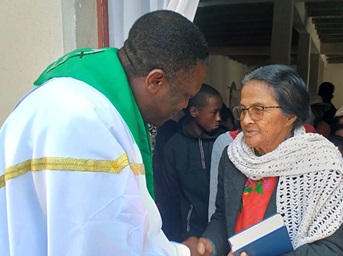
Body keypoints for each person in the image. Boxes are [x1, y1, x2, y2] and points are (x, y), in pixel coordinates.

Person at [0, 10, 209, 255]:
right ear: (156, 81)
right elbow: (99, 245)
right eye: (184, 95)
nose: (184, 107)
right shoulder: (86, 123)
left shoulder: (52, 99)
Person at [195, 64, 343, 256]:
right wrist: (209, 244)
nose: (246, 120)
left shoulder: (322, 166)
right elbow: (223, 216)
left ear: (290, 115)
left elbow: (331, 250)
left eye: (258, 109)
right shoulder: (234, 156)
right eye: (243, 110)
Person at [158, 83, 226, 246]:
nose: (219, 118)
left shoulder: (225, 141)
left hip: (223, 231)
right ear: (194, 112)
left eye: (220, 112)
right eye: (214, 112)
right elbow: (170, 195)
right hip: (190, 234)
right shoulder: (174, 146)